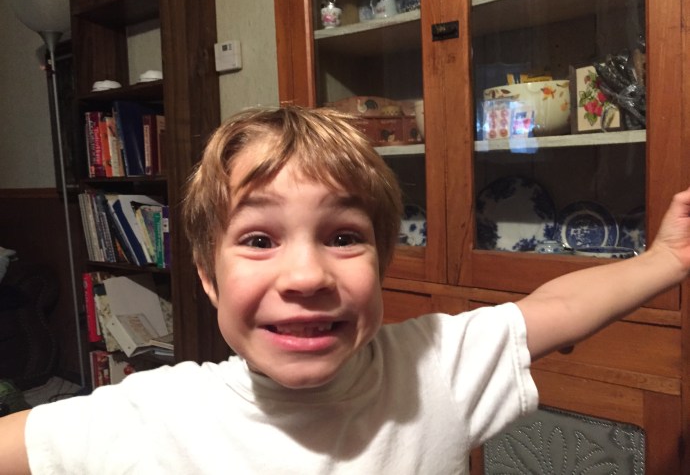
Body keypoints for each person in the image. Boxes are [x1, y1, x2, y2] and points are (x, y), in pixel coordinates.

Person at [1, 105, 689, 474]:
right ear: (208, 276)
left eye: (342, 237)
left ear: (381, 263)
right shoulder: (154, 416)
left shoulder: (437, 366)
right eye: (259, 239)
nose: (306, 277)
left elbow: (556, 309)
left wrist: (665, 258)